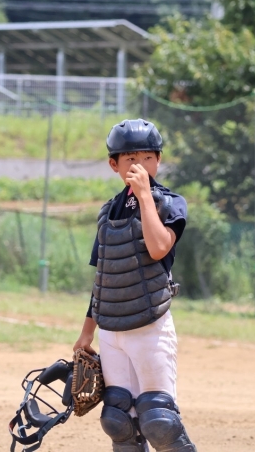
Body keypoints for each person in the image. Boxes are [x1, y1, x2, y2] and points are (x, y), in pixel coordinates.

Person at [73, 119, 196, 452]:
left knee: (159, 420)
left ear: (158, 160)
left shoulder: (169, 202)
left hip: (149, 325)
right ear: (114, 165)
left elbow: (158, 248)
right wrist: (86, 333)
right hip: (111, 330)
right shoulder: (108, 212)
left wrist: (144, 196)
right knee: (118, 421)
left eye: (147, 157)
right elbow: (105, 276)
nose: (139, 165)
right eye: (130, 158)